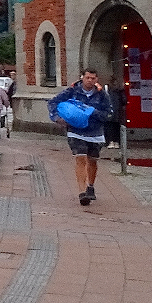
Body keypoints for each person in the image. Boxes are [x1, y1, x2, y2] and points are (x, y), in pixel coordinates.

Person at [48, 68, 114, 206]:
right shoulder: (72, 91)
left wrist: (93, 112)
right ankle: (82, 192)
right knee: (80, 158)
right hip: (75, 130)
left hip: (95, 131)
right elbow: (53, 102)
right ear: (82, 78)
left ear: (96, 80)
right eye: (87, 78)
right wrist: (57, 118)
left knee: (92, 160)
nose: (90, 81)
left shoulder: (102, 95)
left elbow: (109, 114)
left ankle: (91, 185)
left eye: (93, 78)